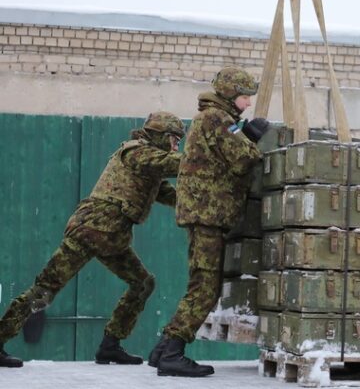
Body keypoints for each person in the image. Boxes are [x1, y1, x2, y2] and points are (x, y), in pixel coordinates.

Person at [0, 112, 185, 368]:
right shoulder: (137, 153)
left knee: (143, 283)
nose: (176, 147)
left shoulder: (149, 167)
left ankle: (110, 346)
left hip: (113, 236)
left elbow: (172, 195)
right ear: (160, 135)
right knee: (44, 290)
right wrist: (209, 160)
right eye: (174, 140)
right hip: (91, 229)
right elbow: (174, 164)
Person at [148, 66, 268, 378]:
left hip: (204, 213)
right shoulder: (217, 118)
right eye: (244, 97)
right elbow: (242, 158)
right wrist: (252, 138)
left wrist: (243, 135)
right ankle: (172, 354)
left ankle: (163, 349)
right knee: (205, 288)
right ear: (230, 93)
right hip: (208, 214)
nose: (248, 103)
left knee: (199, 284)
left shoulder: (214, 118)